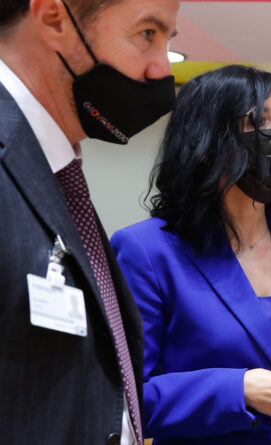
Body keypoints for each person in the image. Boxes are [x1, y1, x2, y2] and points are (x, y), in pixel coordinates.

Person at [110, 65, 271, 444]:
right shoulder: (147, 251)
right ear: (207, 143)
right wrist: (240, 390)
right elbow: (128, 398)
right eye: (261, 122)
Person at [0, 0, 178, 443]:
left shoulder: (58, 172)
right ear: (54, 18)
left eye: (168, 41)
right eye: (147, 35)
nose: (162, 69)